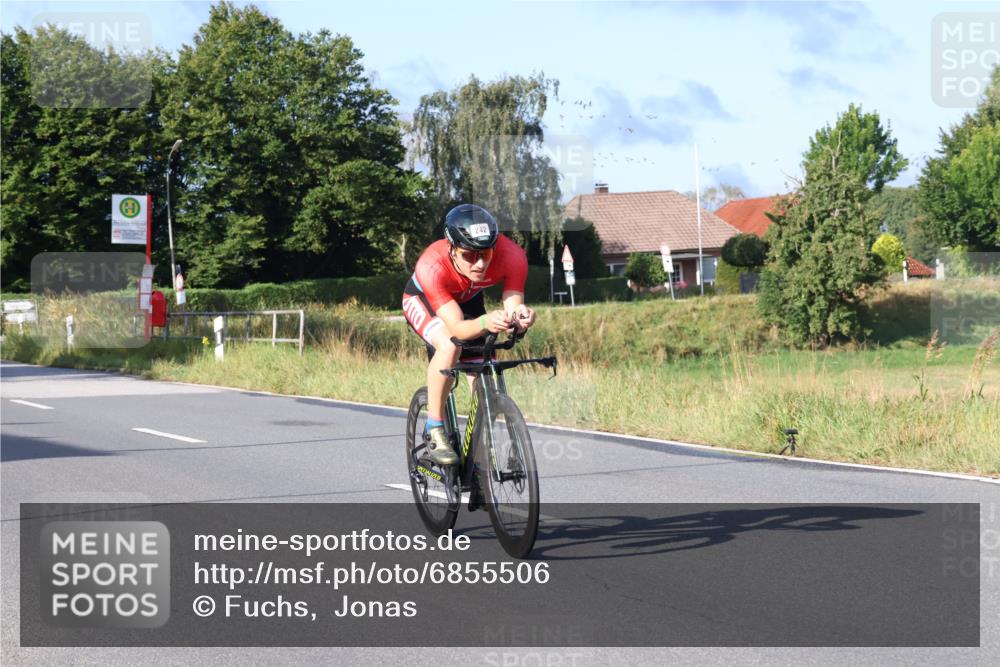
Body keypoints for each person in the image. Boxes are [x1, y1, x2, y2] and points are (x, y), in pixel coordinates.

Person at [402, 204, 536, 465]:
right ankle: (434, 428)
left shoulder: (512, 256)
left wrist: (522, 316)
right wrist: (486, 321)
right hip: (425, 299)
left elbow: (513, 305)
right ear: (452, 249)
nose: (480, 263)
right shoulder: (432, 265)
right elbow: (457, 329)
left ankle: (479, 457)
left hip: (468, 299)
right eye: (469, 256)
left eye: (486, 254)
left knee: (486, 371)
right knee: (450, 347)